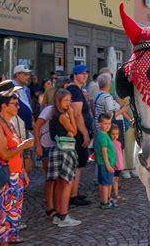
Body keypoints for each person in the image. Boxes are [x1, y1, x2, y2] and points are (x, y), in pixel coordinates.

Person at [0, 81, 34, 245]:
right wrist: (23, 145)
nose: (18, 106)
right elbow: (4, 154)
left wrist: (23, 172)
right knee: (5, 212)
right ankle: (1, 242)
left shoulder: (9, 123)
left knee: (14, 211)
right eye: (14, 104)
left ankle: (10, 239)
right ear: (3, 106)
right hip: (6, 174)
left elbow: (16, 153)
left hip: (16, 174)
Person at [47, 89, 82, 227]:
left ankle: (59, 214)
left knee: (61, 184)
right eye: (66, 100)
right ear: (58, 101)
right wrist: (72, 116)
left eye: (70, 100)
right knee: (66, 183)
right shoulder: (62, 116)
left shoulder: (56, 115)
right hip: (64, 151)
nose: (69, 103)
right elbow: (74, 130)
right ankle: (63, 215)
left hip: (59, 149)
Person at [66, 65, 92, 206]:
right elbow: (76, 115)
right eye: (81, 74)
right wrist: (84, 134)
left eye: (85, 73)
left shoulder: (77, 90)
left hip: (79, 132)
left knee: (79, 165)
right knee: (77, 165)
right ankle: (72, 196)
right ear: (74, 75)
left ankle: (74, 193)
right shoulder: (74, 91)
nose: (84, 76)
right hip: (78, 134)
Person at [34, 101, 57, 219]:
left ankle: (57, 204)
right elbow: (37, 125)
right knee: (50, 178)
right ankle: (49, 206)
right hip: (47, 146)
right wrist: (38, 145)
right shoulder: (49, 110)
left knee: (58, 179)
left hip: (58, 146)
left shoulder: (67, 109)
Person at [94, 73, 128, 143]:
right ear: (109, 84)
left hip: (101, 127)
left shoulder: (98, 94)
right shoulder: (107, 97)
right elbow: (110, 115)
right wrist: (122, 110)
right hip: (111, 130)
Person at [95, 113, 117, 209]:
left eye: (109, 123)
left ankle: (106, 199)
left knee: (105, 183)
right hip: (105, 164)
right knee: (106, 184)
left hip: (106, 164)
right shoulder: (103, 136)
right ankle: (105, 202)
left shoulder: (104, 134)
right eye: (105, 124)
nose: (108, 126)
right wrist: (108, 165)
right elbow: (104, 151)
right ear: (99, 124)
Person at [12, 65, 34, 131]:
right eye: (25, 74)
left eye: (28, 74)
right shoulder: (9, 87)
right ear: (17, 75)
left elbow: (29, 105)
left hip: (27, 126)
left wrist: (32, 120)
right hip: (15, 126)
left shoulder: (27, 89)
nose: (28, 77)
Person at [109, 124, 124, 202]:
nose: (115, 136)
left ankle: (116, 194)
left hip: (119, 167)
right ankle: (109, 196)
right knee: (111, 181)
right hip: (113, 166)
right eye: (113, 134)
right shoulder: (110, 144)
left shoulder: (118, 143)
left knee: (116, 181)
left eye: (117, 134)